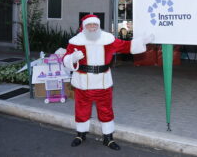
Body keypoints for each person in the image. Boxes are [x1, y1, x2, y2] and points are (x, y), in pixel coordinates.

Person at [63, 14, 153, 150]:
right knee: (81, 108)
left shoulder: (108, 40)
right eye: (89, 25)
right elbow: (65, 59)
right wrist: (72, 58)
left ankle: (108, 138)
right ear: (84, 26)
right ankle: (80, 134)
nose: (92, 27)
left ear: (98, 26)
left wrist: (142, 41)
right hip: (83, 82)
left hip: (102, 82)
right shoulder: (75, 41)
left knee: (106, 109)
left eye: (95, 25)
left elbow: (126, 46)